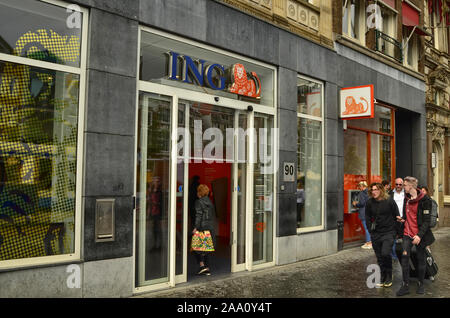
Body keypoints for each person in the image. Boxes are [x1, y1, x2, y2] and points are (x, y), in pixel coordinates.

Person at [396, 177, 435, 296]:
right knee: (404, 258)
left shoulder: (425, 200)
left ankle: (421, 283)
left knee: (420, 259)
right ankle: (405, 285)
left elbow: (426, 221)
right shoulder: (406, 199)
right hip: (407, 234)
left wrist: (419, 235)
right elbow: (407, 215)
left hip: (420, 235)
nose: (403, 187)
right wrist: (403, 220)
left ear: (411, 186)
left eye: (405, 185)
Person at [365, 182, 400, 288]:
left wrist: (396, 232)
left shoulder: (389, 201)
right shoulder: (370, 202)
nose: (374, 192)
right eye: (372, 190)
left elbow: (396, 215)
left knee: (385, 253)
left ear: (381, 190)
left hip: (389, 232)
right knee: (379, 257)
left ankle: (389, 275)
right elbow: (367, 217)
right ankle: (383, 276)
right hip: (376, 233)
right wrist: (371, 230)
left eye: (376, 189)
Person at [193, 184, 216, 276]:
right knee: (206, 248)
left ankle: (202, 266)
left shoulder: (199, 202)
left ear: (199, 192)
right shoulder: (210, 202)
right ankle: (207, 268)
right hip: (209, 227)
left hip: (202, 227)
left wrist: (196, 227)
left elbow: (198, 215)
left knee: (196, 247)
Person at [352, 181, 371, 249]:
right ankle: (369, 241)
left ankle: (369, 243)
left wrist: (356, 204)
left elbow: (362, 203)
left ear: (362, 186)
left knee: (366, 228)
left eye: (359, 186)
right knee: (368, 227)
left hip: (363, 213)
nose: (359, 188)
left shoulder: (362, 193)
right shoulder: (369, 192)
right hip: (369, 212)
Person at [390, 178, 405, 261]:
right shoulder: (390, 194)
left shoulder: (406, 194)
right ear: (394, 184)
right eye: (397, 184)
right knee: (392, 239)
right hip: (394, 220)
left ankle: (404, 256)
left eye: (400, 184)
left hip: (404, 219)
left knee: (405, 240)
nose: (398, 186)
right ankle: (394, 257)